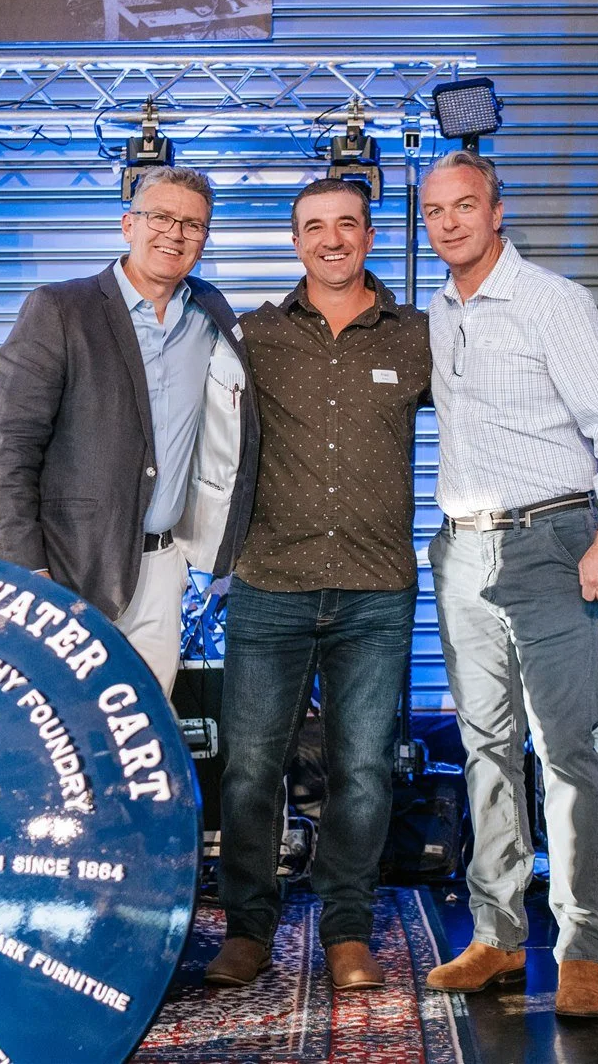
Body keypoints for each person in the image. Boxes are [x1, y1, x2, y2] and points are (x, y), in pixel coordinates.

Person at [416, 150, 598, 1021]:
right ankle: (496, 936)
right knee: (485, 747)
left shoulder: (554, 301)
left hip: (552, 541)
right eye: (435, 210)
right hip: (462, 549)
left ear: (497, 210)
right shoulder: (439, 310)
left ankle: (582, 946)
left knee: (565, 750)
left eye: (465, 205)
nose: (449, 222)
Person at [204, 179, 431, 994]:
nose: (331, 239)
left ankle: (346, 930)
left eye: (346, 224)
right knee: (248, 769)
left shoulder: (417, 338)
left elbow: (490, 415)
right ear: (295, 241)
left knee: (364, 769)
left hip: (376, 590)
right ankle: (248, 928)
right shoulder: (254, 335)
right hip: (271, 582)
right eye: (314, 227)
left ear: (369, 235)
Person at [0, 167, 256, 695]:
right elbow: (10, 455)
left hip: (164, 569)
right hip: (70, 571)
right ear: (128, 224)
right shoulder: (60, 309)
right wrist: (27, 575)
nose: (175, 234)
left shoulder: (210, 315)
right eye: (160, 217)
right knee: (66, 734)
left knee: (142, 735)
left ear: (204, 239)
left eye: (192, 225)